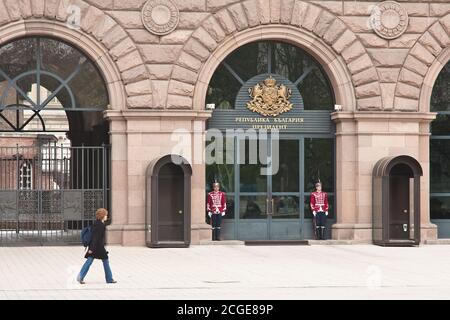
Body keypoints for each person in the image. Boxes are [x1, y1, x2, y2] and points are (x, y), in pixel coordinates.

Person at [77, 208, 116, 284]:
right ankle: (109, 279)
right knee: (105, 261)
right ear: (102, 216)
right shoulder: (101, 226)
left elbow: (94, 237)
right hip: (98, 247)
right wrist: (91, 249)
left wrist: (91, 248)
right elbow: (96, 238)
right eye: (105, 215)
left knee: (90, 261)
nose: (106, 216)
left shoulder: (96, 223)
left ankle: (80, 276)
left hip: (94, 246)